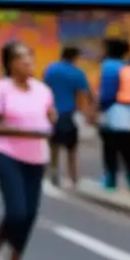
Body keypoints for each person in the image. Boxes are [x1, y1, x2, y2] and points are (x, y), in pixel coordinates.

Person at [0, 41, 55, 260]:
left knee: (30, 215)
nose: (28, 64)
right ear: (11, 64)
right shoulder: (1, 89)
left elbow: (50, 116)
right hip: (9, 155)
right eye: (22, 60)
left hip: (37, 158)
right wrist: (26, 132)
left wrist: (52, 121)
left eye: (30, 59)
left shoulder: (43, 90)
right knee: (16, 212)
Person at [43, 46, 93, 187]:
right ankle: (74, 177)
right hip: (69, 114)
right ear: (75, 57)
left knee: (54, 146)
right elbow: (82, 95)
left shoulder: (51, 70)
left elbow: (45, 88)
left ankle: (53, 172)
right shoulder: (77, 73)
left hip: (52, 113)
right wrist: (86, 114)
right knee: (72, 148)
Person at [97, 37, 130, 191]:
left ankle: (110, 179)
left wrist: (100, 110)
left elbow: (106, 94)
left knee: (110, 147)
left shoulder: (108, 66)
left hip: (113, 111)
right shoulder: (128, 65)